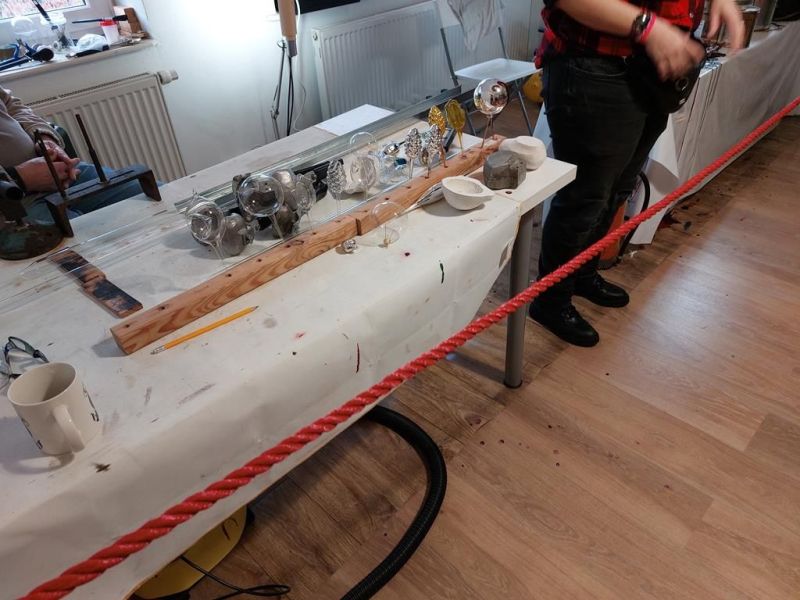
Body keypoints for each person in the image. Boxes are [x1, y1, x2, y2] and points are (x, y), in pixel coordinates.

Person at [529, 0, 744, 347]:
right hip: (594, 64)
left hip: (648, 66)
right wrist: (648, 26)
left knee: (617, 188)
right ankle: (550, 300)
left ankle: (581, 273)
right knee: (586, 197)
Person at [0, 86, 144, 222]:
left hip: (55, 171)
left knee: (147, 197)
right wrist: (21, 177)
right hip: (11, 204)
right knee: (94, 236)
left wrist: (45, 138)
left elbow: (11, 105)